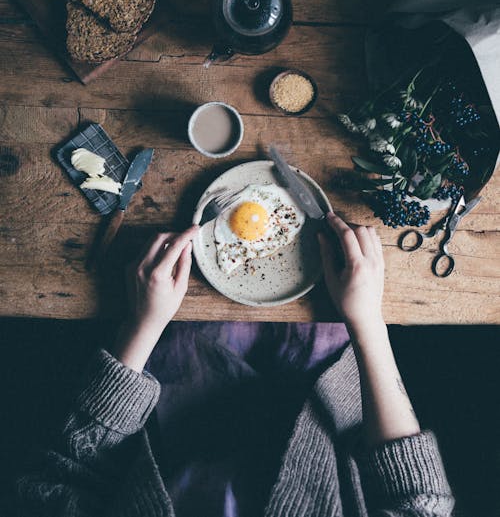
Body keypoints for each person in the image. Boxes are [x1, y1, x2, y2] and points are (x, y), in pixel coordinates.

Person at [17, 212, 455, 517]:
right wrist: (368, 321)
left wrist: (141, 326)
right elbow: (419, 501)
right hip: (327, 388)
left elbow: (63, 476)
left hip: (161, 389)